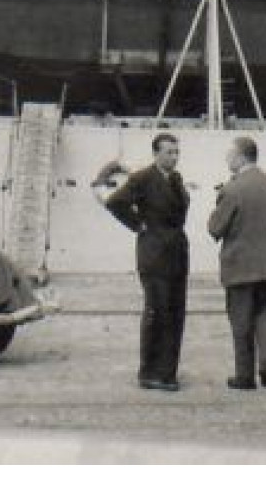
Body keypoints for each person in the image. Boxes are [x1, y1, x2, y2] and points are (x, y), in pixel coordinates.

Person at [99, 134, 190, 391]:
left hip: (177, 254)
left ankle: (168, 372)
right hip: (154, 255)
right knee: (157, 312)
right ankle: (150, 372)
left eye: (176, 152)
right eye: (169, 152)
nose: (174, 157)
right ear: (156, 154)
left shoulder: (176, 179)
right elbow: (115, 202)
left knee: (175, 314)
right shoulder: (143, 178)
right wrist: (138, 225)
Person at [207, 135, 266, 390]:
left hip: (240, 266)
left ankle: (245, 376)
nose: (227, 159)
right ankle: (265, 364)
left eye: (230, 155)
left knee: (241, 323)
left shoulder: (231, 190)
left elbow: (215, 228)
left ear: (240, 156)